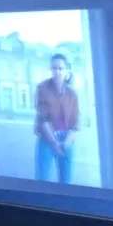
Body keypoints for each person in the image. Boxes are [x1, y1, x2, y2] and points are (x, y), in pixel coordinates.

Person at [34, 54, 79, 184]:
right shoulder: (42, 88)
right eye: (54, 68)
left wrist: (67, 142)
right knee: (42, 181)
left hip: (67, 140)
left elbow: (75, 122)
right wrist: (54, 143)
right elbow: (43, 119)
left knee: (66, 182)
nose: (57, 72)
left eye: (61, 68)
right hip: (46, 140)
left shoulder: (72, 94)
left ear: (66, 70)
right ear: (51, 69)